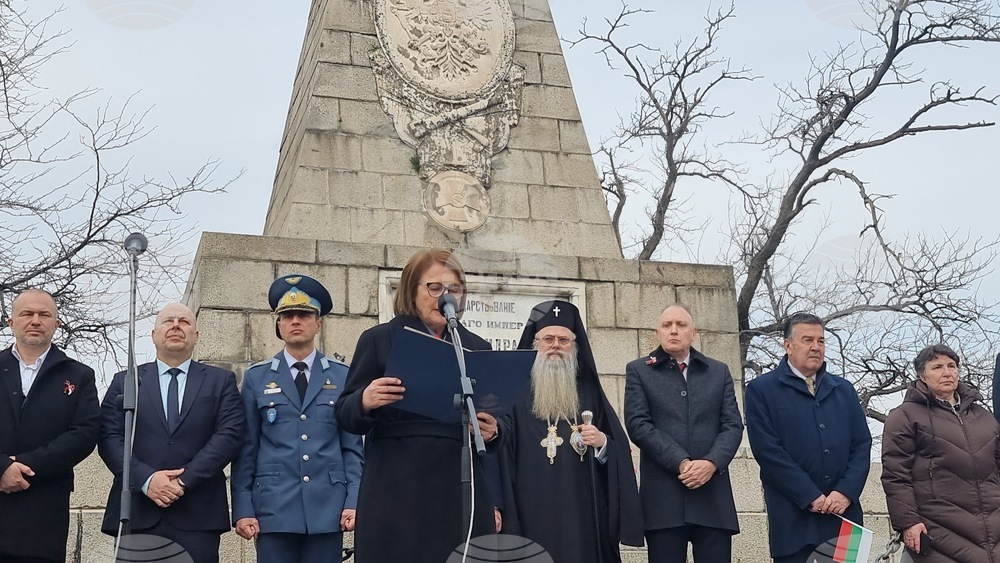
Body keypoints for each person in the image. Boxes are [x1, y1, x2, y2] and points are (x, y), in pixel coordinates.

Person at [335, 248, 499, 563]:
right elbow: (344, 414)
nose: (445, 297)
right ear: (412, 290)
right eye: (434, 288)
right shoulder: (379, 339)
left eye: (454, 289)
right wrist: (365, 399)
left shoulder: (477, 347)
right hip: (397, 485)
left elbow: (496, 413)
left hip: (459, 482)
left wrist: (494, 431)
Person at [495, 299, 643, 563]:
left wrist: (602, 443)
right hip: (528, 509)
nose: (555, 346)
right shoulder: (513, 391)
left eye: (564, 340)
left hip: (581, 514)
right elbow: (499, 451)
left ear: (575, 347)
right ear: (534, 344)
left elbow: (617, 448)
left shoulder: (590, 392)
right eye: (548, 338)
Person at [231, 274, 363, 563]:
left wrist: (354, 500)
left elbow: (352, 447)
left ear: (319, 323)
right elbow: (246, 448)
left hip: (327, 508)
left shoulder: (342, 376)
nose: (295, 321)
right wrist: (243, 508)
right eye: (287, 315)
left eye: (304, 314)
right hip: (273, 509)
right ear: (279, 325)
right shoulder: (257, 378)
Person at [99, 303, 244, 562]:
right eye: (168, 321)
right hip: (137, 512)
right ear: (154, 334)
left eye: (185, 322)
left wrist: (183, 480)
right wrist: (147, 479)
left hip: (198, 513)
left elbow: (229, 435)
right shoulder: (126, 381)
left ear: (196, 336)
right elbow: (109, 437)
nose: (176, 325)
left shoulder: (220, 381)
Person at [744, 312, 872, 563]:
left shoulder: (843, 390)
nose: (816, 347)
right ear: (788, 345)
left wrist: (845, 492)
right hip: (793, 519)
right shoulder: (761, 390)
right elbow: (768, 451)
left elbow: (861, 445)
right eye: (807, 340)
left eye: (821, 341)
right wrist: (809, 495)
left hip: (843, 517)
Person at [624, 304, 743, 562]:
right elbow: (638, 424)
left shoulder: (718, 371)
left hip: (712, 498)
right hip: (664, 501)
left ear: (694, 332)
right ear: (658, 332)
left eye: (681, 325)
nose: (674, 330)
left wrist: (711, 463)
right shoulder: (639, 370)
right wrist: (681, 462)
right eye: (667, 325)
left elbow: (733, 424)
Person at [0, 288, 101, 563]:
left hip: (43, 512)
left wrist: (24, 465)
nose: (35, 320)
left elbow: (85, 432)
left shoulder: (78, 375)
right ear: (11, 322)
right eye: (27, 314)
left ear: (56, 324)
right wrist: (2, 468)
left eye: (44, 314)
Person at [882, 344, 1000, 561]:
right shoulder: (904, 416)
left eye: (952, 366)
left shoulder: (984, 416)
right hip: (938, 531)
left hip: (993, 528)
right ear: (922, 376)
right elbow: (896, 476)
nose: (947, 372)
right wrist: (908, 522)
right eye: (937, 367)